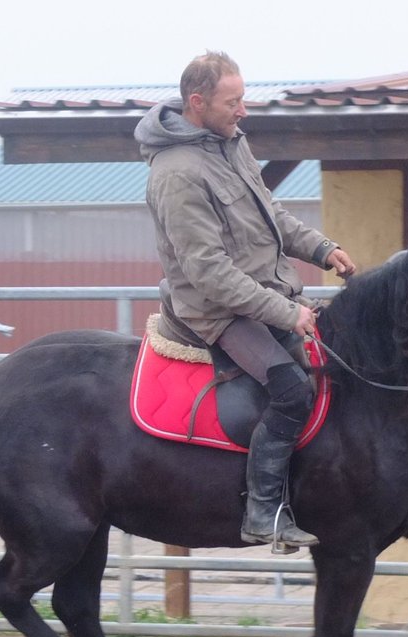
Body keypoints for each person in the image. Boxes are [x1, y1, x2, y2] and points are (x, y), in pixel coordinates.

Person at [134, 51, 356, 552]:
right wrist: (287, 312)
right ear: (197, 102)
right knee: (291, 390)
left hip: (264, 294)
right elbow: (208, 273)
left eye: (243, 99)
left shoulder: (230, 143)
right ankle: (263, 513)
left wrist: (322, 249)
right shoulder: (177, 174)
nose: (243, 110)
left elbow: (270, 213)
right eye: (233, 101)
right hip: (217, 312)